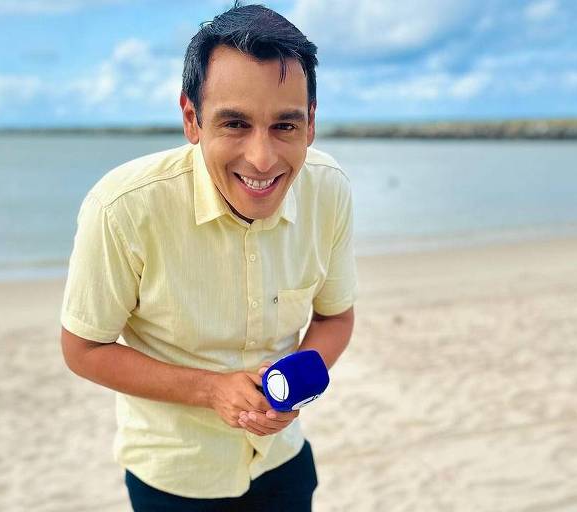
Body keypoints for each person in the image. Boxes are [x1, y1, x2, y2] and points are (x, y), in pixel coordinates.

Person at [59, 3, 357, 511]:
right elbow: (83, 348)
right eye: (235, 124)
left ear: (310, 123)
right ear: (191, 119)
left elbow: (336, 317)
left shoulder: (329, 189)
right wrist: (210, 390)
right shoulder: (122, 208)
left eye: (284, 126)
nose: (262, 159)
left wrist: (294, 383)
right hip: (173, 478)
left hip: (282, 461)